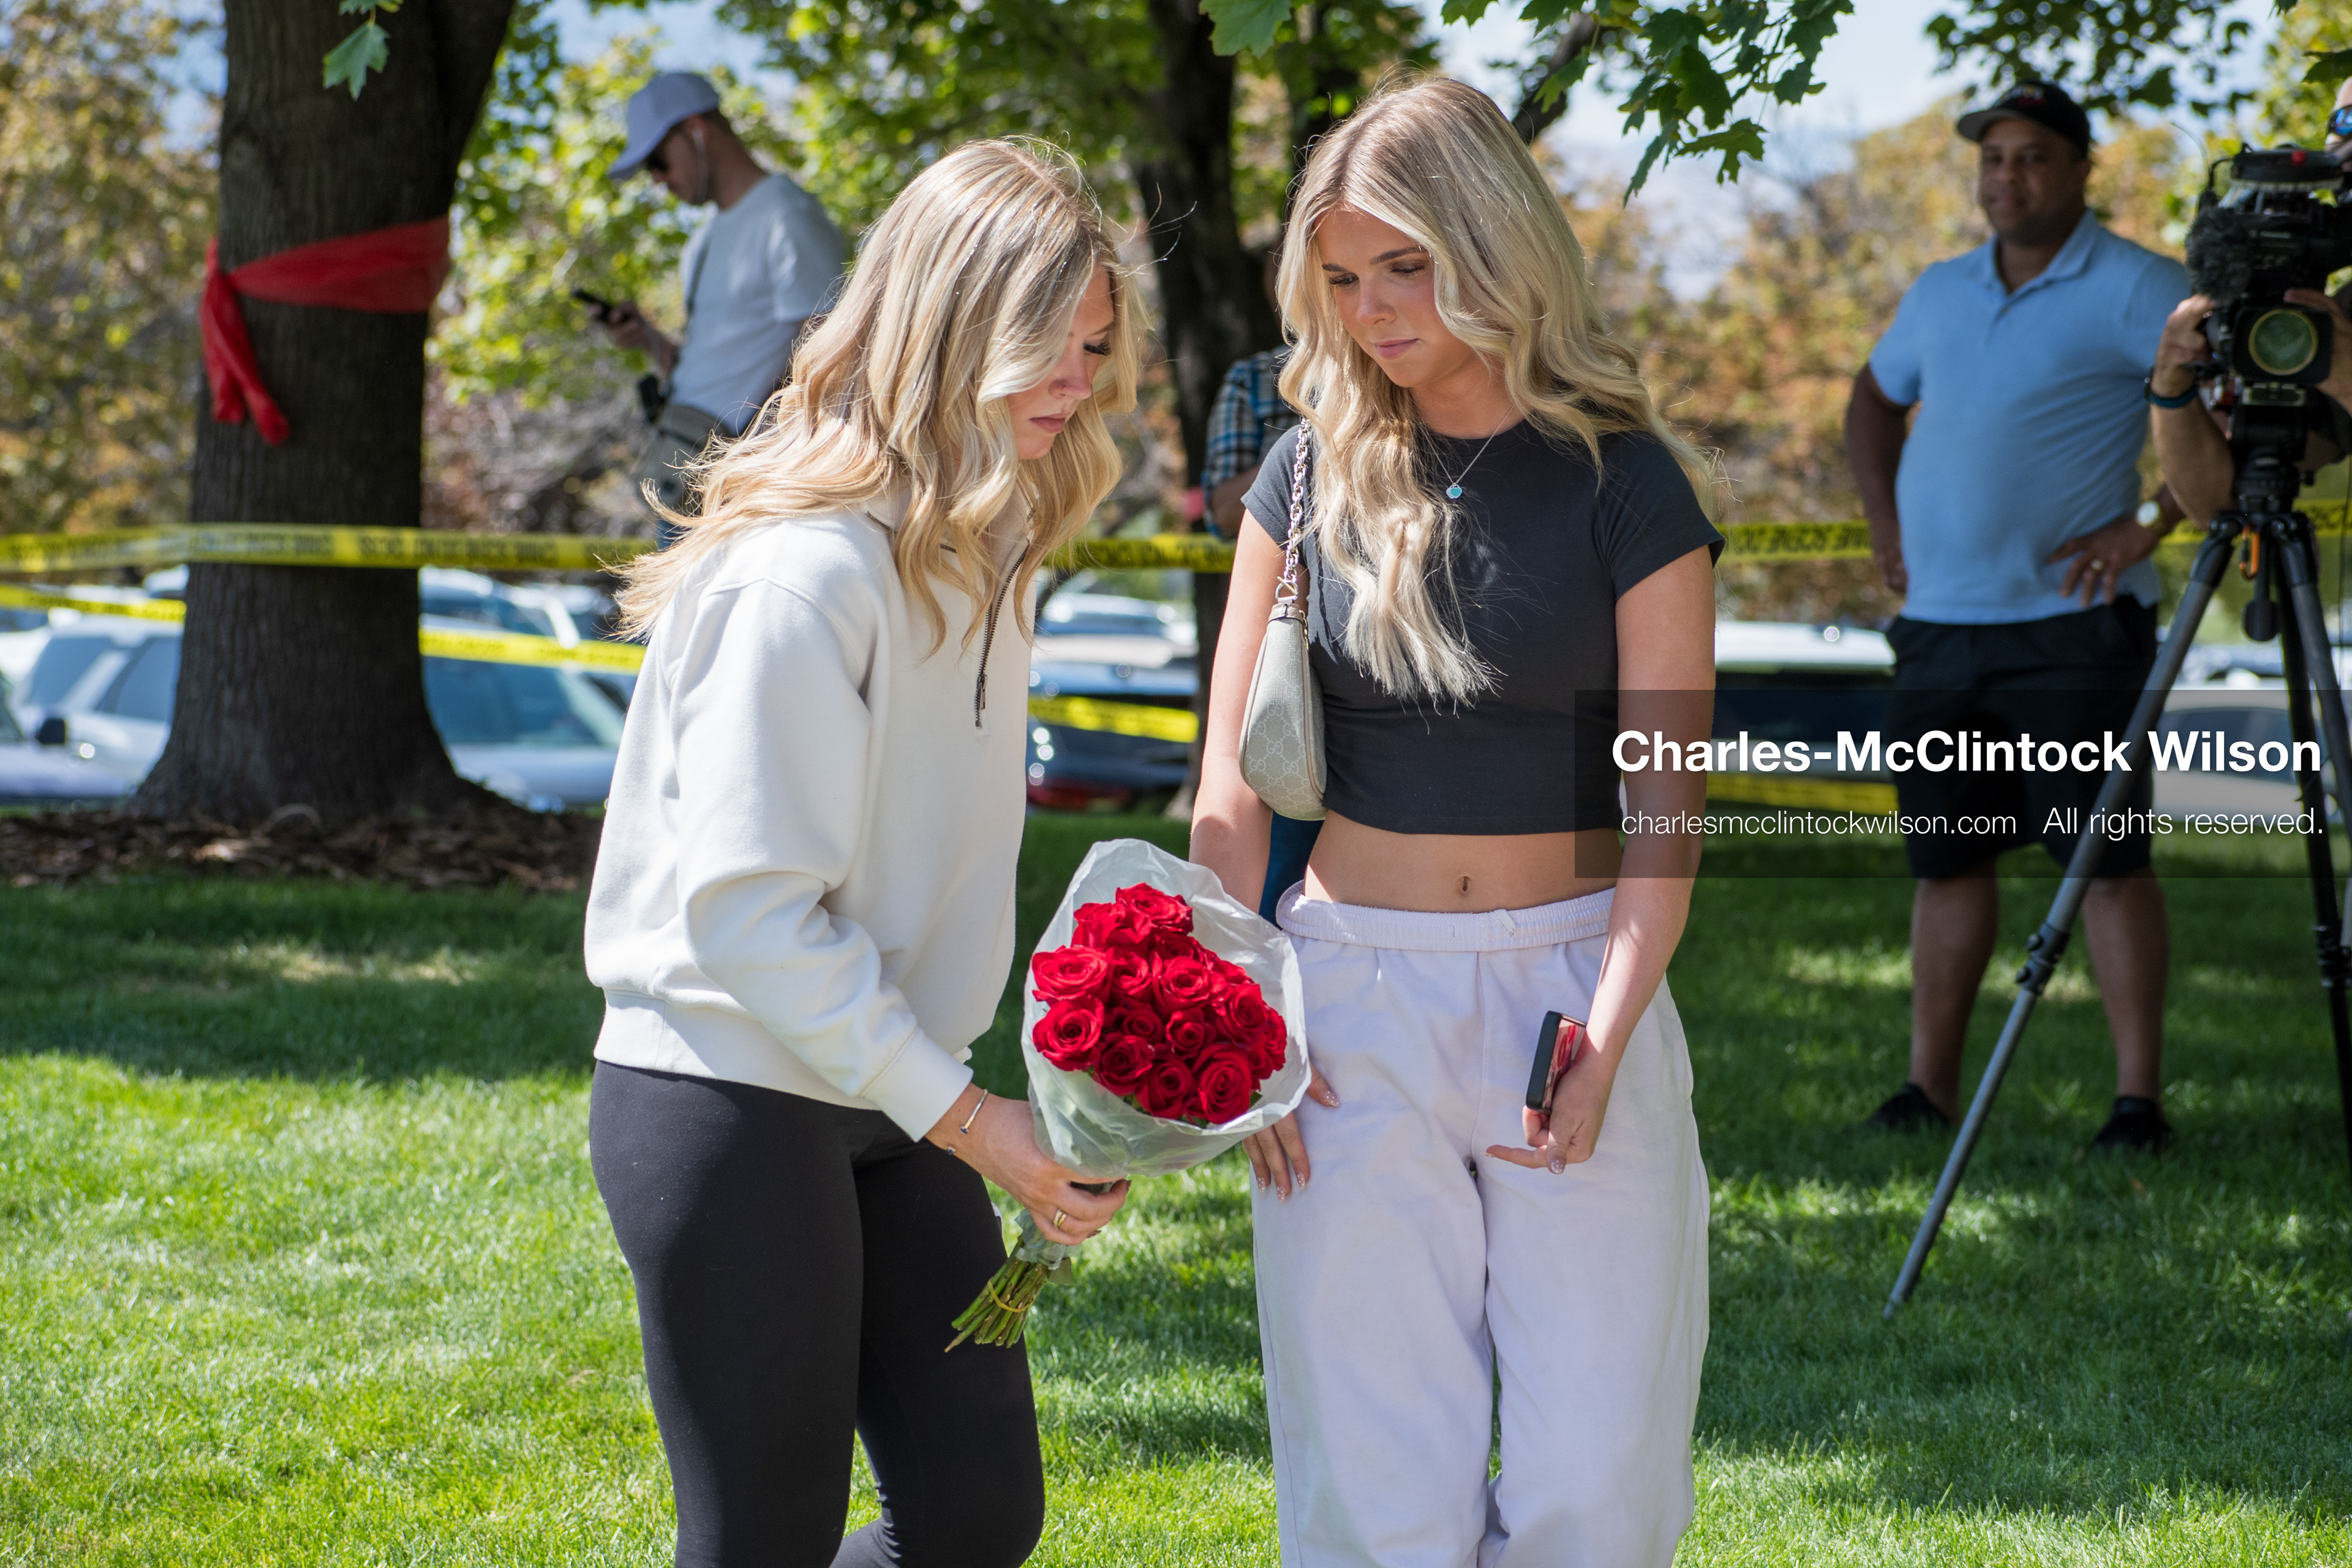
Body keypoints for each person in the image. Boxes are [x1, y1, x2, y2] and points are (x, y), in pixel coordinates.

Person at [582, 140, 1139, 1568]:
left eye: (1092, 347)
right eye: (1046, 347)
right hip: (729, 1089)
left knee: (972, 1516)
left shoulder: (995, 539)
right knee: (761, 1537)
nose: (1075, 381)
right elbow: (751, 918)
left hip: (888, 1087)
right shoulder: (805, 569)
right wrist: (980, 1124)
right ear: (947, 327)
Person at [1191, 77, 1722, 1567]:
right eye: (1343, 278)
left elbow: (1660, 816)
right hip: (1343, 997)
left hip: (1573, 979)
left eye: (1403, 267)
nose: (1370, 309)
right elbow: (1230, 796)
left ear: (1493, 246)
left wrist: (1604, 1032)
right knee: (1376, 1492)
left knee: (1597, 1489)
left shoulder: (1630, 486)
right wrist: (1242, 1032)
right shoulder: (1299, 478)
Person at [1844, 83, 2190, 1152]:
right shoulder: (1940, 290)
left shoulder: (2147, 288)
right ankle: (1928, 1092)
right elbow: (1871, 396)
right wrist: (1883, 524)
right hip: (1944, 628)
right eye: (1993, 159)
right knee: (1949, 862)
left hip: (2073, 625)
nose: (2008, 178)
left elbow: (2232, 417)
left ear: (2083, 167)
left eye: (2033, 157)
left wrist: (2150, 522)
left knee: (2105, 864)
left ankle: (2137, 1105)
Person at [600, 71, 848, 525]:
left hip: (740, 498)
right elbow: (715, 374)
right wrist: (648, 340)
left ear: (696, 130)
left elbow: (836, 366)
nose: (658, 180)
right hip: (683, 484)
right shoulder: (704, 242)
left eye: (658, 161)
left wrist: (759, 473)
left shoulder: (786, 216)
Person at [1200, 252, 1317, 919]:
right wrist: (1312, 450)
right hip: (1287, 665)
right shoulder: (1255, 379)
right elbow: (1222, 510)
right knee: (1269, 888)